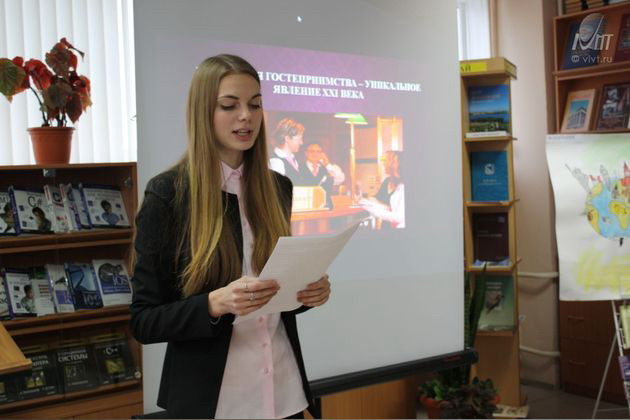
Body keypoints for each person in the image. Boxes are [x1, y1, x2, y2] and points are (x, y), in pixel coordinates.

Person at [130, 54, 330, 419]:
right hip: (214, 403)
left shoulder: (278, 187)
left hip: (284, 393)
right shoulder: (168, 194)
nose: (246, 116)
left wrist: (306, 293)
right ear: (203, 112)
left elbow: (274, 296)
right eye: (229, 105)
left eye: (255, 104)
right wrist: (213, 304)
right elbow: (144, 320)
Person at [360, 150, 405, 229]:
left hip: (393, 223)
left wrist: (372, 208)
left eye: (385, 160)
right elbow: (378, 198)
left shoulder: (402, 186)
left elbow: (397, 216)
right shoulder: (387, 181)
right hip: (386, 223)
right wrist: (366, 199)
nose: (383, 164)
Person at [298, 143, 345, 209]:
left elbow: (341, 179)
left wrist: (327, 164)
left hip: (325, 207)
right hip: (304, 207)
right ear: (306, 153)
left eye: (318, 151)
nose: (315, 154)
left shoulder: (329, 168)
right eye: (312, 151)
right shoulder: (297, 168)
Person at [268, 117, 304, 184]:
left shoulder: (292, 159)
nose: (302, 142)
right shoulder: (276, 162)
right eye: (299, 139)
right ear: (287, 139)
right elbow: (278, 188)